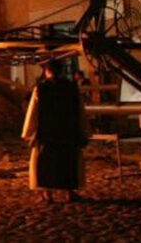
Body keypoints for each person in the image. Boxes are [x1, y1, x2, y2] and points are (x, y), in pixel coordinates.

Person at [22, 59, 89, 203]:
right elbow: (80, 111)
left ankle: (47, 194)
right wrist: (84, 131)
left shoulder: (40, 88)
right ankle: (69, 193)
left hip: (47, 132)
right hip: (68, 131)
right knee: (68, 162)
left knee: (46, 163)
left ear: (47, 71)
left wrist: (28, 132)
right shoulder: (72, 87)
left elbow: (33, 111)